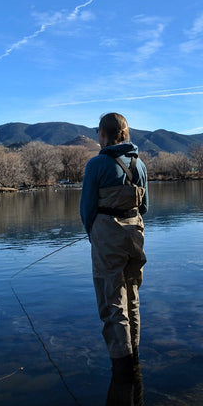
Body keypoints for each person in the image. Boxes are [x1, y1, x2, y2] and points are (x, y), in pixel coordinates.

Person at [80, 113, 148, 377]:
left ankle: (122, 365)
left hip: (107, 236)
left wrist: (94, 234)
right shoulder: (139, 165)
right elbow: (144, 207)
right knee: (132, 296)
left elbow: (87, 209)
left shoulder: (96, 165)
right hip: (135, 234)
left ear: (103, 134)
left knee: (112, 301)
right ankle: (135, 357)